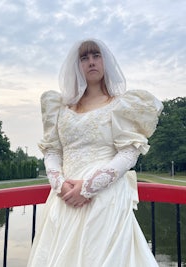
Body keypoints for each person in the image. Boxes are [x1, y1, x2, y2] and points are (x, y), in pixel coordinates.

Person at [27, 39, 163, 267]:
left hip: (104, 198)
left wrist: (89, 187)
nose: (91, 62)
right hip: (65, 199)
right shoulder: (60, 109)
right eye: (84, 58)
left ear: (105, 61)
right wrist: (60, 184)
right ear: (77, 65)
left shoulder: (121, 105)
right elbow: (52, 151)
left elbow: (129, 153)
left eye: (96, 56)